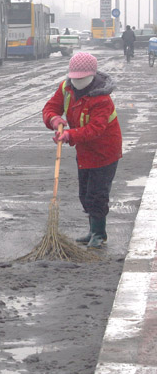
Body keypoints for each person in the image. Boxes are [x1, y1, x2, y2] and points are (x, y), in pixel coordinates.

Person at [42, 52, 122, 249]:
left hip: (105, 151)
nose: (77, 82)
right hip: (85, 151)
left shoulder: (101, 98)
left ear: (92, 76)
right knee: (84, 193)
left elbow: (96, 128)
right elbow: (51, 107)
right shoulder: (66, 88)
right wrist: (54, 119)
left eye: (82, 78)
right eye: (74, 78)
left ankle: (99, 233)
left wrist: (70, 135)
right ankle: (92, 229)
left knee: (97, 193)